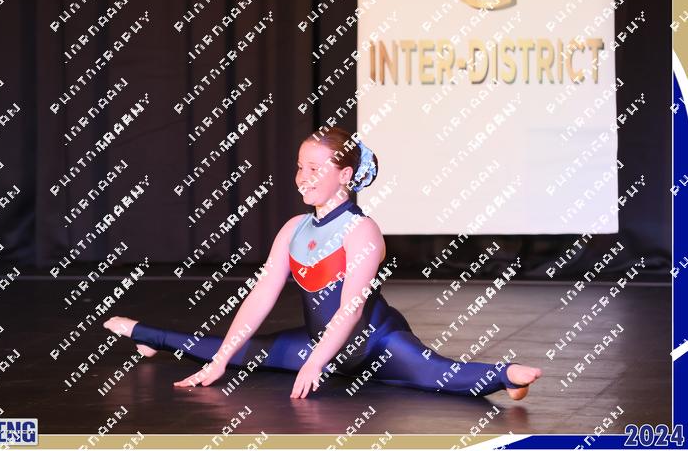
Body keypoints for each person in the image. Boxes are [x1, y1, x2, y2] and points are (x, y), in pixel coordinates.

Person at [104, 127, 542, 399]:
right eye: (300, 168)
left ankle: (507, 375)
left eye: (315, 169)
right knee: (231, 352)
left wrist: (315, 364)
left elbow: (351, 308)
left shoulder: (362, 231)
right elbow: (261, 295)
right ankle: (147, 336)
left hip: (376, 344)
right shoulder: (294, 228)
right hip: (317, 344)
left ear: (344, 176)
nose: (302, 178)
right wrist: (221, 361)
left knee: (437, 374)